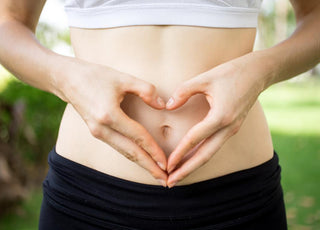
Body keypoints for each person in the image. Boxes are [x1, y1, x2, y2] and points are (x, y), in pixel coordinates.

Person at [0, 0, 319, 229]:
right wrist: (67, 78)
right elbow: (7, 22)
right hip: (89, 196)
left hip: (237, 198)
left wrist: (259, 72)